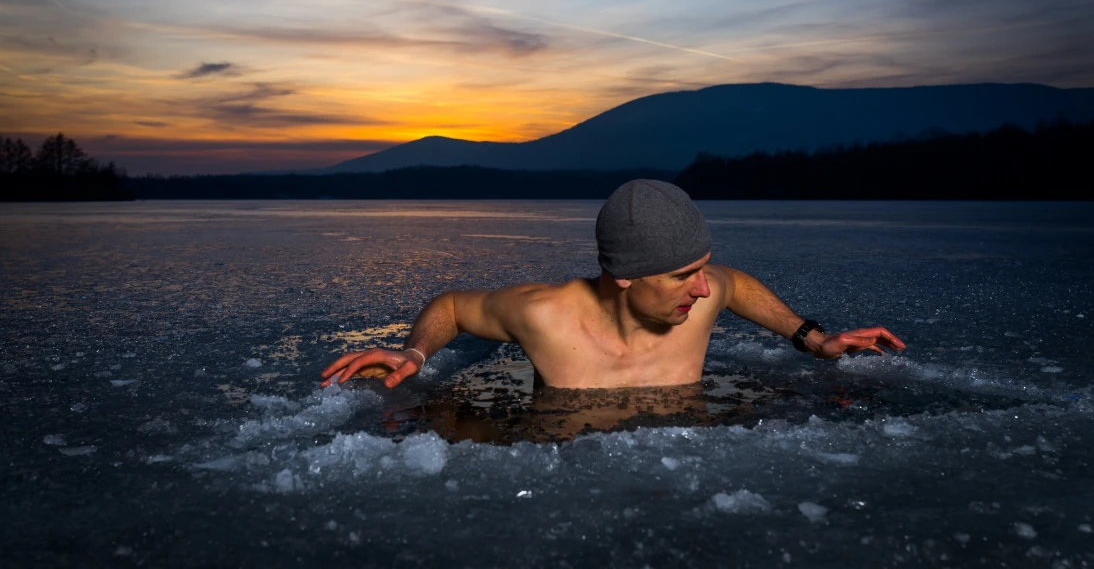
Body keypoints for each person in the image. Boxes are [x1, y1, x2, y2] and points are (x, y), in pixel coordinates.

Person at [321, 180, 905, 390]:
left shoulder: (702, 301)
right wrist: (414, 350)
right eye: (683, 274)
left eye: (704, 266)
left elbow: (736, 285)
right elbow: (451, 305)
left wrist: (811, 337)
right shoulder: (545, 316)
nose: (704, 290)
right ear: (624, 275)